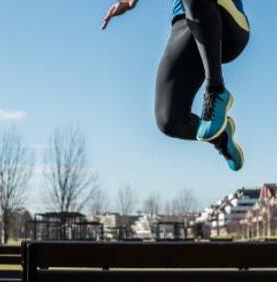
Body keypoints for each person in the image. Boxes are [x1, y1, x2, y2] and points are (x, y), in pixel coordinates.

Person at [102, 0, 250, 171]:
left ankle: (216, 90)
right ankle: (222, 137)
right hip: (185, 23)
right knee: (169, 120)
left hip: (228, 22)